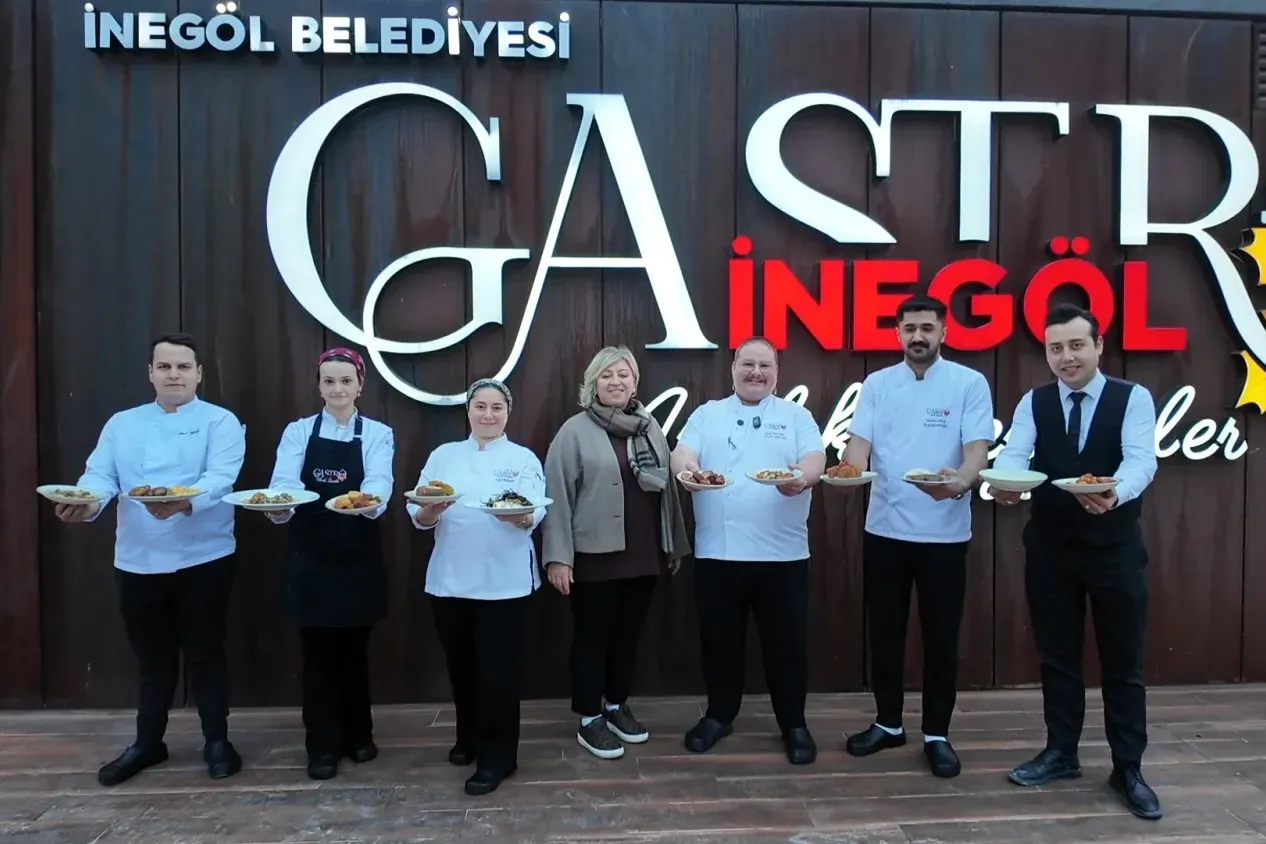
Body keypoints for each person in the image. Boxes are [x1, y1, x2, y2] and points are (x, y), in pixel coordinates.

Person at [991, 303, 1161, 820]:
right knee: (1058, 658)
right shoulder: (1035, 401)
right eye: (1056, 348)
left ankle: (1128, 768)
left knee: (1123, 663)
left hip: (1115, 551)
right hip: (1051, 549)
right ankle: (1061, 752)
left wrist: (1115, 492)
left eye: (1076, 345)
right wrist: (1006, 483)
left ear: (1098, 345)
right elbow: (1016, 454)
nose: (1066, 357)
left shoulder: (1133, 397)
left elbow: (1141, 460)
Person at [53, 333, 246, 786]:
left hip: (204, 555)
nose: (174, 375)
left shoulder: (220, 422)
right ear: (150, 373)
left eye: (183, 367)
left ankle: (217, 741)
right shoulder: (123, 424)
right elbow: (100, 476)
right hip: (137, 559)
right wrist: (86, 502)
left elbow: (221, 477)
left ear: (199, 373)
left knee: (207, 652)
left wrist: (184, 502)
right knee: (151, 657)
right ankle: (148, 742)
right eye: (165, 367)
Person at [840, 294, 994, 779]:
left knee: (941, 636)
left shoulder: (969, 383)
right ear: (898, 334)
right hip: (885, 528)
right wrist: (847, 472)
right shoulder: (878, 384)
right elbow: (859, 446)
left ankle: (936, 734)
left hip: (945, 531)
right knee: (884, 632)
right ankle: (888, 722)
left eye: (927, 328)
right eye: (909, 329)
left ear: (944, 332)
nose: (918, 336)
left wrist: (961, 482)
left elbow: (977, 451)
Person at [668, 336, 825, 764]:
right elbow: (682, 453)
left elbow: (815, 459)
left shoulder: (796, 416)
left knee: (787, 646)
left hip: (783, 554)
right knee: (720, 642)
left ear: (776, 373)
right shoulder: (708, 414)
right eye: (748, 364)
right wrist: (687, 470)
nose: (756, 373)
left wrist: (802, 478)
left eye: (764, 366)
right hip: (719, 552)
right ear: (733, 369)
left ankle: (794, 724)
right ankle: (719, 715)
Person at [542, 346, 691, 760]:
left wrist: (672, 544)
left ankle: (615, 706)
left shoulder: (649, 426)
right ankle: (590, 718)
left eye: (624, 375)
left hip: (644, 553)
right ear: (593, 384)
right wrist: (558, 557)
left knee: (628, 638)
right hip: (594, 556)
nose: (616, 382)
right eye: (606, 375)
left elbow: (667, 493)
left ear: (635, 383)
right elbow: (556, 495)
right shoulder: (574, 431)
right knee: (592, 639)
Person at [407, 379, 547, 796]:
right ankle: (468, 737)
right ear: (467, 410)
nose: (488, 414)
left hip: (505, 585)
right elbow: (419, 513)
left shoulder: (523, 458)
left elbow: (535, 511)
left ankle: (499, 757)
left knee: (499, 675)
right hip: (450, 580)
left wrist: (520, 517)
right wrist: (430, 511)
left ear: (508, 412)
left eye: (496, 407)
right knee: (462, 667)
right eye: (480, 406)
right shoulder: (443, 455)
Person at [260, 348, 394, 781]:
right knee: (317, 655)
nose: (338, 389)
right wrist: (278, 508)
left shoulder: (377, 433)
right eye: (329, 381)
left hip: (358, 553)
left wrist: (368, 502)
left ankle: (359, 735)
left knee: (355, 651)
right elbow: (284, 484)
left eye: (346, 381)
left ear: (360, 385)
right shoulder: (299, 432)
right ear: (319, 386)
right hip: (311, 556)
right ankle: (321, 746)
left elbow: (379, 482)